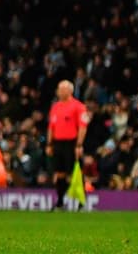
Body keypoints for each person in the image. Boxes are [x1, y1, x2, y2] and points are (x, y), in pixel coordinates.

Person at [47, 80, 89, 210]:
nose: (59, 91)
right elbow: (51, 127)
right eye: (59, 89)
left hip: (72, 143)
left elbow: (83, 126)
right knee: (59, 173)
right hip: (58, 143)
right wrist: (49, 144)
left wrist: (79, 145)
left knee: (75, 173)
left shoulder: (78, 106)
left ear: (69, 91)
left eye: (61, 89)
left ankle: (82, 203)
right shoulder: (55, 107)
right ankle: (60, 202)